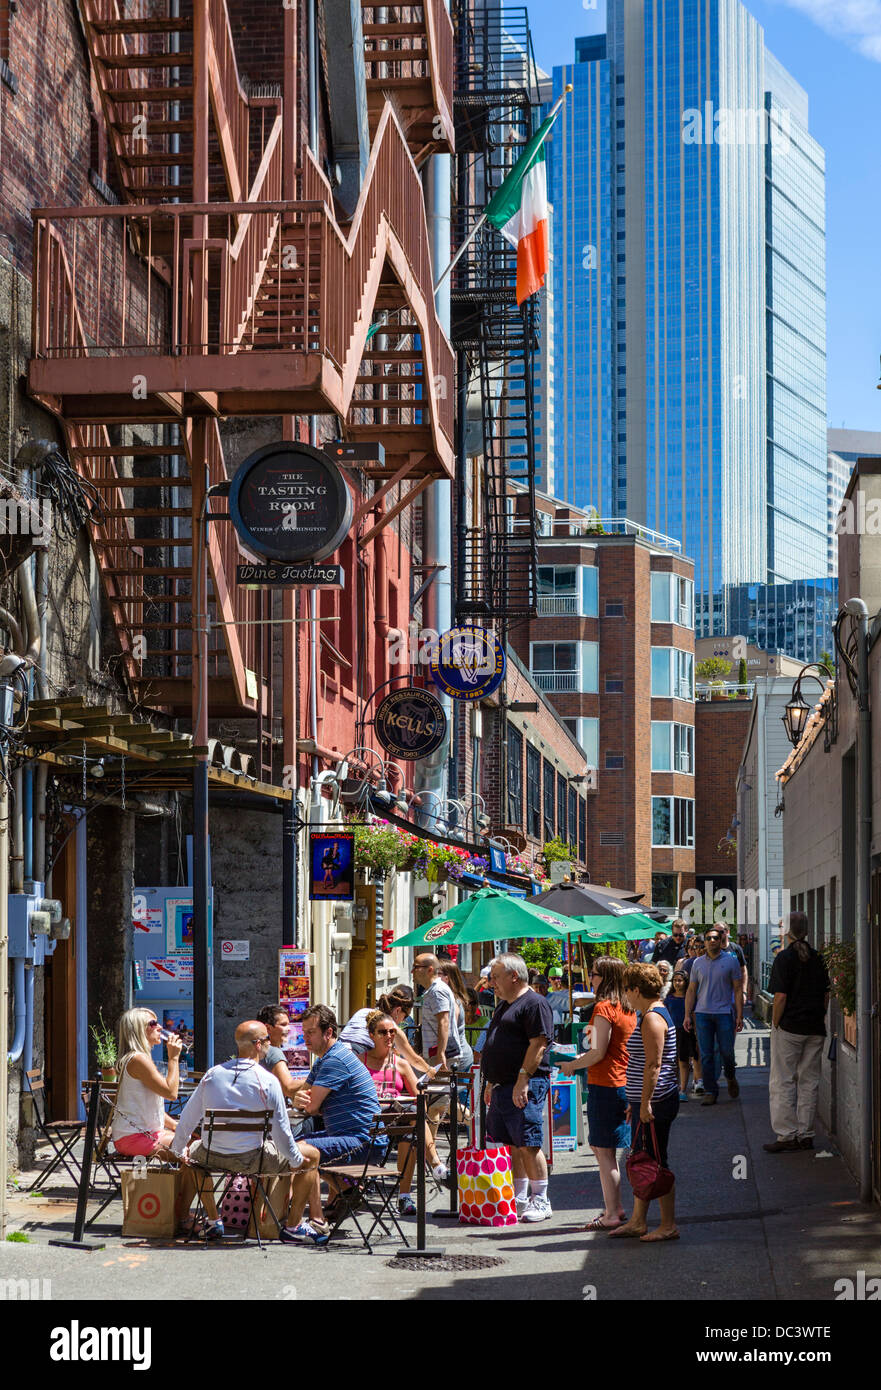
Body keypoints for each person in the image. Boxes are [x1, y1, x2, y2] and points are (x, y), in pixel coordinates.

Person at [170, 1020, 325, 1244]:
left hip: (211, 1156)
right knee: (312, 1156)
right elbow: (281, 1133)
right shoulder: (269, 1081)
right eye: (268, 1041)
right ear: (259, 1044)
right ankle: (293, 1226)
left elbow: (187, 1118)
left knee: (190, 1154)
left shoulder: (212, 1075)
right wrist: (294, 1160)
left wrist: (177, 1150)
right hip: (254, 1159)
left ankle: (213, 1221)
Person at [559, 957, 636, 1230]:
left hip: (606, 1084)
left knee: (604, 1153)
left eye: (593, 974)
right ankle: (615, 1209)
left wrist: (571, 1065)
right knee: (606, 1150)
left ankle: (612, 1212)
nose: (589, 978)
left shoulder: (604, 1007)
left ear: (605, 977)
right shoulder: (627, 1007)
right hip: (622, 1083)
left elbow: (597, 1052)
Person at [295, 1004, 387, 1219]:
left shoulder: (335, 1060)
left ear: (328, 1032)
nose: (305, 1039)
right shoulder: (326, 1058)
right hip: (358, 1139)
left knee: (297, 1150)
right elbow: (304, 1094)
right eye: (304, 1033)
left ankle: (309, 1216)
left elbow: (310, 1105)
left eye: (311, 1033)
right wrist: (301, 1099)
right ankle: (348, 1191)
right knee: (293, 1142)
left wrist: (303, 1101)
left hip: (362, 1142)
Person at [482, 953, 555, 1222]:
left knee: (528, 1142)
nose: (491, 983)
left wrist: (523, 1080)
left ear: (514, 976)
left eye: (496, 977)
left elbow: (538, 1044)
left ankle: (542, 1200)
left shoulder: (534, 1003)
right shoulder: (505, 1004)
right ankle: (521, 1196)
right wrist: (491, 1081)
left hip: (524, 1083)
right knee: (513, 1142)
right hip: (504, 1084)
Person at [610, 963, 680, 1242]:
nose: (625, 995)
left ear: (636, 990)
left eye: (627, 989)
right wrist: (636, 1099)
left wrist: (645, 1103)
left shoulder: (652, 1018)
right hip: (648, 1098)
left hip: (657, 1100)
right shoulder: (651, 1013)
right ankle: (639, 1221)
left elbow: (654, 1065)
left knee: (657, 1161)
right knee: (645, 1160)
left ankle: (668, 1225)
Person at [359, 1011, 446, 1214]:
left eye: (392, 1032)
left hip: (396, 1118)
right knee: (412, 1123)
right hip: (368, 1118)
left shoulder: (401, 1063)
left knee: (413, 1120)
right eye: (383, 1032)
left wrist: (409, 1101)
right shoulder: (359, 1061)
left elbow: (420, 1100)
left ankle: (405, 1196)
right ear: (371, 1035)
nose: (389, 1036)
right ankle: (436, 1164)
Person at [764, 912, 830, 1153]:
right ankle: (806, 1134)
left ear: (788, 932)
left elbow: (780, 997)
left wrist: (776, 1023)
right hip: (814, 1027)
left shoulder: (784, 958)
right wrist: (819, 1015)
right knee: (809, 1081)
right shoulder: (818, 958)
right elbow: (826, 995)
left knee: (782, 1081)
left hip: (790, 1027)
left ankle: (786, 1134)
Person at [683, 924, 744, 1105]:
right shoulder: (697, 963)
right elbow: (691, 990)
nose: (711, 941)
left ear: (721, 940)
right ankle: (711, 1090)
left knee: (726, 1052)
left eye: (715, 938)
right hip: (702, 1014)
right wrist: (687, 1014)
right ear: (705, 942)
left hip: (724, 1013)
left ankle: (731, 1076)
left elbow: (738, 989)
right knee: (706, 1054)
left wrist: (739, 1015)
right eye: (708, 938)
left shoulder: (731, 960)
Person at [111, 1008, 182, 1159]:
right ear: (139, 1029)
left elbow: (150, 1107)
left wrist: (176, 1126)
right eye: (153, 1023)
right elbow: (171, 1094)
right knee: (192, 1149)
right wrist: (173, 1058)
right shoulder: (138, 1060)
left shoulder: (139, 1058)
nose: (160, 1027)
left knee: (196, 1143)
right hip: (134, 1138)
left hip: (144, 1134)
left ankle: (178, 1183)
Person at [339, 986, 435, 1072]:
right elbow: (414, 1060)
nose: (402, 1021)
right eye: (405, 1016)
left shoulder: (362, 1011)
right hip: (355, 1059)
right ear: (398, 1011)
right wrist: (430, 1070)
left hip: (337, 1052)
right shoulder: (390, 1025)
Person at [412, 954, 461, 1070]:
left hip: (440, 1056)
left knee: (438, 1088)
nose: (412, 971)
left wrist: (441, 1054)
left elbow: (444, 1022)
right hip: (434, 1054)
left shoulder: (437, 991)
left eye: (416, 967)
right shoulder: (433, 990)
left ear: (430, 969)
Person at [665, 969, 696, 1100]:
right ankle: (674, 1088)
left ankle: (683, 1089)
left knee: (683, 1061)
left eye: (680, 980)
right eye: (675, 980)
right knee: (673, 1063)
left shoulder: (690, 998)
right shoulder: (668, 999)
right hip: (672, 1032)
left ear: (685, 982)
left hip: (685, 1031)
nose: (677, 983)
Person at [439, 960, 475, 1072]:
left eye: (438, 973)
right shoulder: (451, 998)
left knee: (457, 1089)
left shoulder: (452, 1001)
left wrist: (441, 1056)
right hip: (457, 1058)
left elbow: (449, 1031)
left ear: (447, 978)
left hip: (458, 1061)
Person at [718, 922, 749, 1002]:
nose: (718, 935)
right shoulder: (712, 950)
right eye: (716, 932)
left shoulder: (736, 948)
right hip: (717, 994)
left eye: (721, 932)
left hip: (734, 993)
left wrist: (744, 991)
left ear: (727, 932)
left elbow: (743, 971)